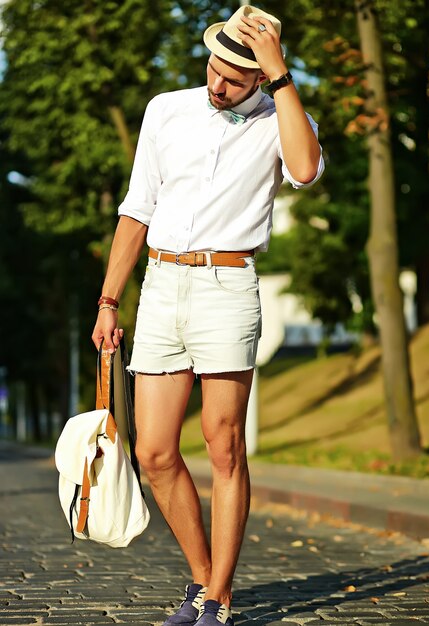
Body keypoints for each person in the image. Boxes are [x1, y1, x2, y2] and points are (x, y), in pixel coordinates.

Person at [92, 5, 324, 626]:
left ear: (260, 77)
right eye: (214, 70)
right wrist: (109, 299)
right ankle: (202, 580)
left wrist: (281, 80)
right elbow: (137, 209)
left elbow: (304, 170)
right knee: (155, 453)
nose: (218, 85)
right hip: (162, 284)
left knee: (223, 447)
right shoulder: (166, 109)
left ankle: (218, 598)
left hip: (228, 284)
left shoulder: (283, 117)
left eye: (234, 79)